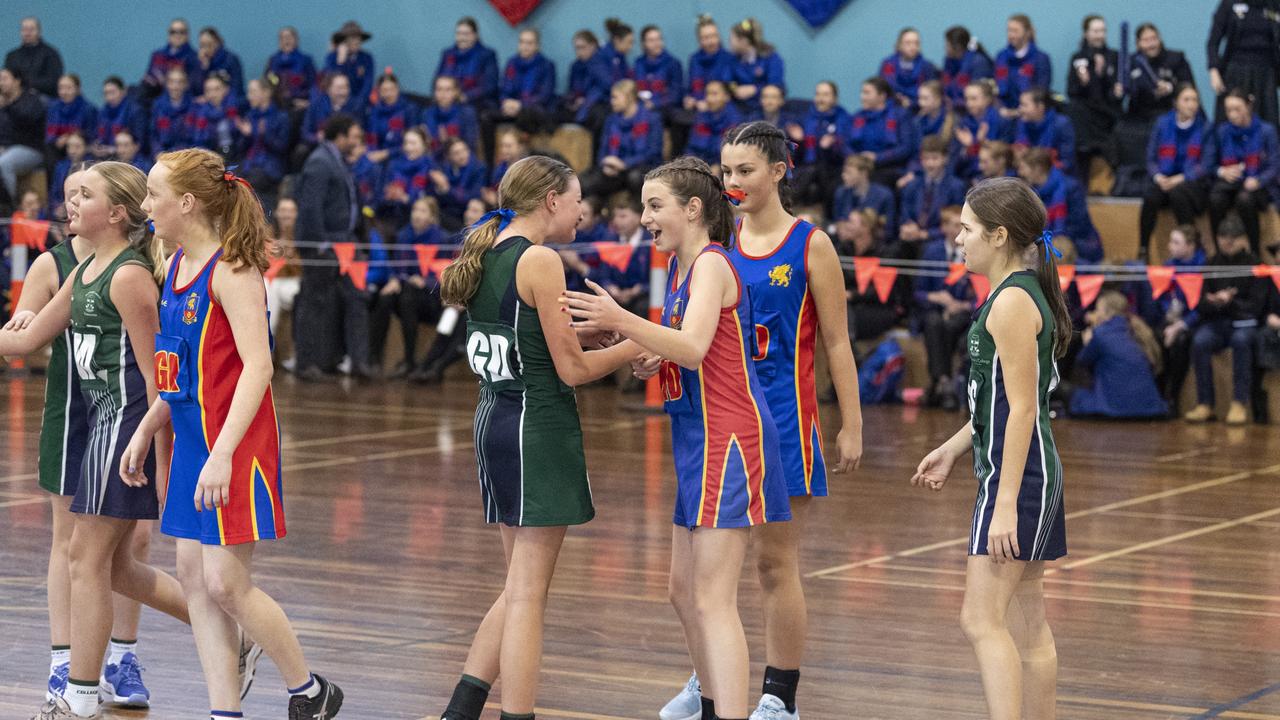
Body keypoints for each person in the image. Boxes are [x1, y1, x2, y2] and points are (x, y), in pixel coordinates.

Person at [564, 155, 793, 720]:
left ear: (693, 210)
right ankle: (712, 700)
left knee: (715, 600)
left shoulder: (714, 263)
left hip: (729, 438)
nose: (644, 218)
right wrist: (650, 356)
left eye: (654, 206)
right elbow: (687, 350)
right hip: (698, 439)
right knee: (681, 590)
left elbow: (691, 347)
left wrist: (621, 319)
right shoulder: (682, 271)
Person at [125, 148, 343, 720]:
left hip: (234, 444)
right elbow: (178, 373)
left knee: (225, 582)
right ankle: (224, 711)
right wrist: (150, 428)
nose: (145, 205)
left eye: (153, 195)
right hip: (194, 439)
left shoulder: (234, 271)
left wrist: (222, 454)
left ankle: (309, 691)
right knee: (194, 580)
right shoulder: (172, 268)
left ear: (188, 203)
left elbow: (260, 367)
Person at [432, 154, 640, 720]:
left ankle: (461, 708)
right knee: (528, 595)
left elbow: (528, 336)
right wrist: (637, 338)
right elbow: (571, 370)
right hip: (535, 427)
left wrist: (590, 329)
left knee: (518, 585)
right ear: (551, 199)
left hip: (493, 423)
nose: (582, 211)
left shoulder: (491, 251)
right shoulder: (541, 259)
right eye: (576, 200)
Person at [0, 162, 194, 720]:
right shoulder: (82, 272)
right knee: (110, 569)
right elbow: (27, 338)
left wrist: (157, 453)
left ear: (116, 214)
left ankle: (78, 695)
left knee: (88, 559)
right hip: (100, 427)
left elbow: (161, 380)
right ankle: (227, 633)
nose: (72, 201)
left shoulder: (130, 276)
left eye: (86, 194)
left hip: (124, 427)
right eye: (71, 193)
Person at [717, 123, 862, 719]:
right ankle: (707, 681)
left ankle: (780, 698)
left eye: (745, 170)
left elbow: (836, 342)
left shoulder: (811, 244)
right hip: (721, 422)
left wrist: (850, 423)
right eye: (726, 172)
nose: (733, 183)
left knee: (774, 562)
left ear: (778, 171)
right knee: (709, 570)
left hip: (783, 422)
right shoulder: (716, 243)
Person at [912, 175, 1069, 720]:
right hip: (1024, 473)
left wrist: (1004, 504)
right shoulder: (1016, 295)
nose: (958, 239)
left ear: (999, 235)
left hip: (1019, 480)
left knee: (981, 620)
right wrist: (956, 447)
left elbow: (1025, 408)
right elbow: (998, 402)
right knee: (1028, 622)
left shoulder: (1011, 302)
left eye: (967, 228)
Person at [293, 113, 374, 381]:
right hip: (325, 244)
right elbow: (310, 207)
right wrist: (318, 245)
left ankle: (359, 362)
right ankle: (307, 363)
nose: (357, 141)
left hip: (347, 244)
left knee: (357, 300)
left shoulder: (338, 161)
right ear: (340, 136)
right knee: (314, 303)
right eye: (353, 136)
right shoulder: (319, 162)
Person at [1185, 215, 1265, 425]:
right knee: (1200, 341)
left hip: (1244, 323)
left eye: (1233, 237)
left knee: (1241, 341)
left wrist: (1231, 302)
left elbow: (1257, 307)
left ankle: (1239, 402)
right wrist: (1213, 302)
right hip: (1217, 321)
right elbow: (1200, 304)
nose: (1227, 242)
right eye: (1223, 237)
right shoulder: (1211, 264)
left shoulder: (1255, 264)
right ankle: (1205, 403)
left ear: (1243, 239)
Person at [371, 195, 448, 376]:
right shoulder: (403, 235)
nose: (417, 215)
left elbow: (445, 272)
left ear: (432, 217)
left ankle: (409, 359)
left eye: (422, 211)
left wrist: (426, 281)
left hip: (431, 296)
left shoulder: (442, 239)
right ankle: (374, 358)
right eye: (415, 210)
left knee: (408, 296)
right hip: (407, 289)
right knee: (384, 298)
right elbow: (397, 266)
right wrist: (394, 279)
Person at [1069, 291, 1169, 418]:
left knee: (1065, 391)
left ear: (1106, 313)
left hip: (1114, 408)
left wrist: (1087, 342)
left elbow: (1081, 361)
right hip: (1149, 409)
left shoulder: (1101, 334)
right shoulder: (1138, 329)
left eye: (1098, 309)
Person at [1204, 89, 1279, 254]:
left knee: (1244, 199)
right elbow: (1208, 164)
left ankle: (1254, 250)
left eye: (1237, 109)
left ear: (1249, 106)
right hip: (1229, 184)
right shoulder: (1221, 131)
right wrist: (1221, 171)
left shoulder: (1266, 131)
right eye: (1229, 109)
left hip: (1257, 185)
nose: (1232, 114)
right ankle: (1220, 251)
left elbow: (1275, 165)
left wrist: (1258, 180)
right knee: (1215, 199)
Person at [915, 205, 975, 409]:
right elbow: (918, 291)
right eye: (953, 225)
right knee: (933, 323)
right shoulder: (933, 251)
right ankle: (944, 382)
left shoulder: (973, 250)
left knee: (948, 326)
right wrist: (935, 297)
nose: (958, 230)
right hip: (936, 309)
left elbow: (983, 293)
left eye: (962, 226)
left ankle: (939, 382)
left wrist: (962, 305)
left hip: (964, 312)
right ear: (943, 228)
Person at [1139, 84, 1208, 260]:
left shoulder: (1205, 127)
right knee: (1150, 197)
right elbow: (1150, 157)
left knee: (1178, 194)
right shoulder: (1162, 123)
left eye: (1195, 100)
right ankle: (1143, 249)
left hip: (1191, 184)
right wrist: (1158, 176)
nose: (1191, 104)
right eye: (1186, 99)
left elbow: (1206, 164)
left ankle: (1192, 248)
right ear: (1176, 102)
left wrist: (1180, 178)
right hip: (1164, 179)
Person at [579, 80, 663, 202]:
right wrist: (606, 164)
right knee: (585, 182)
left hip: (641, 168)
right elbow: (603, 150)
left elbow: (653, 153)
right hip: (614, 170)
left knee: (634, 178)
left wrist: (625, 164)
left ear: (629, 97)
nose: (612, 102)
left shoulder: (652, 118)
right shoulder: (610, 120)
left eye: (615, 98)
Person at [1019, 148, 1102, 263]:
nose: (1020, 173)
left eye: (1023, 168)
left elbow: (1079, 224)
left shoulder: (1071, 188)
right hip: (1049, 244)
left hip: (1078, 245)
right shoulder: (1033, 192)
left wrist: (1049, 243)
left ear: (1037, 168)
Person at [1066, 15, 1123, 178]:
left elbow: (1117, 95)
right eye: (1096, 31)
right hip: (1086, 114)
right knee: (1073, 110)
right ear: (1086, 33)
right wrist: (1084, 82)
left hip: (1108, 113)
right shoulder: (1078, 58)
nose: (1100, 35)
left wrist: (1104, 77)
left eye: (1103, 31)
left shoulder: (1114, 57)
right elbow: (1071, 92)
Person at [1207, 0, 1280, 125]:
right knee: (1231, 120)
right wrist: (1213, 70)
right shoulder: (1228, 4)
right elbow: (1213, 42)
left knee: (1268, 122)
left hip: (1266, 73)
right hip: (1235, 71)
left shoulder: (1274, 5)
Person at [899, 135, 968, 253]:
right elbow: (905, 213)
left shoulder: (956, 187)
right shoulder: (912, 185)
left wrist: (927, 234)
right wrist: (909, 227)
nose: (930, 164)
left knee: (931, 250)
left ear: (945, 158)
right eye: (926, 159)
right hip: (913, 236)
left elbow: (957, 220)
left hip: (940, 238)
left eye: (935, 158)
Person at [847, 76, 919, 188]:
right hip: (861, 167)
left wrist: (877, 157)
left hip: (890, 168)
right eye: (862, 92)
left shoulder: (900, 115)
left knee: (874, 185)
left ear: (882, 96)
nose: (862, 97)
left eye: (867, 93)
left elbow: (906, 148)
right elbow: (847, 143)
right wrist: (858, 158)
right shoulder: (857, 117)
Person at [788, 81, 850, 208]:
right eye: (818, 94)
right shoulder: (805, 116)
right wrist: (798, 141)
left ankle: (787, 204)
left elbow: (846, 152)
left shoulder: (843, 118)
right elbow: (793, 153)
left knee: (814, 171)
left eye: (826, 95)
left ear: (835, 98)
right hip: (805, 165)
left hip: (832, 168)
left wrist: (831, 146)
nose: (821, 99)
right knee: (808, 171)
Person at [1126, 23, 1195, 125]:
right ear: (1138, 43)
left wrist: (1170, 87)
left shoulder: (1177, 59)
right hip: (1139, 117)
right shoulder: (1131, 62)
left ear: (1160, 39)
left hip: (1171, 115)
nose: (1151, 44)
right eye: (1146, 40)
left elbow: (1188, 86)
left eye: (1154, 39)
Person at [235, 77, 289, 204]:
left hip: (269, 166)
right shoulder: (250, 115)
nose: (249, 96)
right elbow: (239, 149)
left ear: (266, 93)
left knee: (247, 184)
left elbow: (282, 147)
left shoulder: (281, 117)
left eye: (253, 92)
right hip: (249, 163)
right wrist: (246, 135)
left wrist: (264, 134)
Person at [635, 25, 686, 152]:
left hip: (665, 108)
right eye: (651, 40)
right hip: (641, 106)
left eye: (659, 39)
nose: (656, 43)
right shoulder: (638, 63)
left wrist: (654, 103)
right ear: (644, 44)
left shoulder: (673, 63)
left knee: (655, 117)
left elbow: (676, 94)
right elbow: (634, 88)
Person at [0, 66, 44, 208]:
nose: (1, 83)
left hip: (30, 149)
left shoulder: (31, 100)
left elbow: (27, 123)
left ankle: (9, 206)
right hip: (5, 148)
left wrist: (8, 106)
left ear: (17, 81)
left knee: (4, 163)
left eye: (4, 79)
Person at [498, 29, 556, 136]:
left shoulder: (546, 65)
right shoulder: (512, 62)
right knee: (486, 116)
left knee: (527, 113)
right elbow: (504, 88)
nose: (525, 46)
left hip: (534, 109)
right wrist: (505, 102)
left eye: (529, 43)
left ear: (537, 46)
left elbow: (544, 96)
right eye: (522, 42)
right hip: (512, 107)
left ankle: (527, 151)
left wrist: (521, 105)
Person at [994, 14, 1052, 117]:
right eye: (1009, 30)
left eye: (1015, 31)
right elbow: (995, 86)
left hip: (1029, 113)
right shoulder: (1001, 57)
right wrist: (1002, 109)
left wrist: (1019, 111)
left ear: (1028, 32)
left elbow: (1041, 91)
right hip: (1003, 112)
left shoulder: (1040, 58)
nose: (1011, 35)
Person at [560, 30, 613, 138]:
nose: (579, 52)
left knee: (598, 116)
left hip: (599, 103)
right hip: (579, 103)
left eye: (582, 47)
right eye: (576, 48)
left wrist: (586, 100)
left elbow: (609, 87)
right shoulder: (575, 66)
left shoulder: (601, 63)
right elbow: (571, 89)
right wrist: (573, 100)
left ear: (592, 46)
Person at [266, 197, 302, 354]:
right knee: (268, 288)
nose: (286, 215)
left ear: (296, 214)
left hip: (293, 280)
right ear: (277, 213)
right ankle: (268, 340)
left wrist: (290, 257)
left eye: (290, 211)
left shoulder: (302, 235)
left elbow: (304, 267)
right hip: (272, 281)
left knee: (282, 291)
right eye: (283, 211)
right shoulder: (268, 233)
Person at [1012, 88, 1077, 175]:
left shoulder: (1061, 124)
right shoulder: (1022, 122)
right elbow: (1020, 151)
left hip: (1057, 177)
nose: (1020, 109)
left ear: (1040, 107)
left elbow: (1067, 162)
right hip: (1029, 173)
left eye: (1024, 105)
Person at [953, 81, 1010, 180]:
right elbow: (954, 163)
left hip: (996, 177)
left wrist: (979, 143)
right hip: (968, 177)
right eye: (966, 99)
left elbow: (1004, 157)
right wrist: (967, 149)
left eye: (974, 99)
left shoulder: (1001, 121)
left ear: (987, 99)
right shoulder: (962, 124)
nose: (969, 103)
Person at [831, 154, 896, 240]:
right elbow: (837, 220)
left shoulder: (884, 195)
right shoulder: (841, 193)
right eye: (844, 172)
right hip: (845, 242)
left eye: (849, 172)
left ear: (863, 173)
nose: (844, 176)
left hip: (875, 244)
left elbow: (888, 229)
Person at [728, 18, 784, 113]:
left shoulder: (771, 58)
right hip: (740, 108)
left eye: (732, 39)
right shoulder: (733, 59)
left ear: (744, 41)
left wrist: (755, 90)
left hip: (764, 109)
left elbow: (775, 86)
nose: (730, 43)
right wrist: (735, 90)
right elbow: (727, 80)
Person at [685, 15, 735, 115]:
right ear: (699, 40)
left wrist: (708, 102)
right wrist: (688, 99)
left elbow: (730, 90)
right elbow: (690, 87)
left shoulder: (729, 58)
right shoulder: (694, 59)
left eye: (714, 36)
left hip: (723, 110)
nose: (711, 41)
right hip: (698, 108)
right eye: (706, 38)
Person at [685, 81, 740, 168]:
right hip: (700, 165)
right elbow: (692, 147)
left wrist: (718, 165)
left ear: (726, 96)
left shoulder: (735, 119)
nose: (709, 98)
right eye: (707, 94)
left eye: (714, 94)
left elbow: (732, 152)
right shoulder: (701, 116)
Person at [880, 28, 938, 111]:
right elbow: (884, 90)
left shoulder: (927, 66)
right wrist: (898, 100)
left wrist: (912, 103)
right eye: (908, 43)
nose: (913, 47)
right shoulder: (889, 64)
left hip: (919, 110)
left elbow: (932, 94)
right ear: (899, 45)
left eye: (916, 43)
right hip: (892, 109)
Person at [365, 72, 417, 164]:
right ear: (379, 92)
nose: (389, 94)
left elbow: (413, 142)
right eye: (384, 90)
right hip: (377, 156)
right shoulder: (374, 111)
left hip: (401, 154)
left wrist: (387, 153)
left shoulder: (409, 109)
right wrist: (372, 153)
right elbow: (371, 138)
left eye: (392, 89)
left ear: (397, 89)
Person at [322, 21, 375, 112]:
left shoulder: (367, 58)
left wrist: (358, 103)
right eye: (351, 38)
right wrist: (341, 62)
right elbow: (331, 82)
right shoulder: (331, 57)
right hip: (336, 102)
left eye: (358, 38)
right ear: (343, 41)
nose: (355, 41)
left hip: (359, 103)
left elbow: (368, 83)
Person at [423, 75, 480, 157]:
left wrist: (448, 143)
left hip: (460, 159)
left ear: (456, 92)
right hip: (434, 160)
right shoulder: (427, 113)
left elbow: (471, 145)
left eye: (448, 90)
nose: (443, 94)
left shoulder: (467, 113)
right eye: (439, 89)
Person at [188, 71, 242, 158]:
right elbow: (197, 141)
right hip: (210, 157)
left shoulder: (235, 107)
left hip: (236, 156)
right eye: (208, 90)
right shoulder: (199, 112)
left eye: (217, 89)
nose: (212, 94)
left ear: (226, 89)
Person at [4, 16, 62, 97]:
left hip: (43, 97)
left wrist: (28, 85)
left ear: (39, 32)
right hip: (16, 98)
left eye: (31, 30)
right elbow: (6, 80)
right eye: (24, 30)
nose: (27, 33)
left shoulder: (51, 54)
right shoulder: (12, 56)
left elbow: (54, 81)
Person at [141, 19, 198, 100]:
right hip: (154, 96)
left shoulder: (194, 57)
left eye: (181, 32)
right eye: (173, 32)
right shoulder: (157, 54)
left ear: (188, 35)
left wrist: (165, 81)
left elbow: (193, 86)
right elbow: (149, 76)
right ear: (168, 34)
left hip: (181, 100)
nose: (177, 35)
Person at [439, 137, 487, 231]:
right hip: (451, 211)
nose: (462, 156)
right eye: (456, 153)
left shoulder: (478, 168)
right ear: (449, 157)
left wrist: (448, 190)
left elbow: (474, 195)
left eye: (464, 150)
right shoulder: (445, 169)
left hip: (469, 210)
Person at [941, 26, 993, 111]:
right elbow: (946, 87)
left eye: (947, 44)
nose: (945, 47)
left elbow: (978, 95)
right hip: (953, 110)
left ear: (957, 46)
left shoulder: (978, 62)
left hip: (973, 111)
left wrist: (956, 103)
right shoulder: (949, 62)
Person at [92, 77, 146, 159]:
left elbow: (139, 142)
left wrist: (115, 149)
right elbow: (97, 135)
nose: (109, 97)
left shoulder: (136, 111)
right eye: (106, 93)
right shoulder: (102, 112)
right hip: (105, 157)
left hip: (131, 158)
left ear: (123, 92)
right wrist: (96, 146)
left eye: (112, 92)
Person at [265, 26, 316, 110]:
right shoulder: (273, 61)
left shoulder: (306, 60)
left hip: (299, 104)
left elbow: (313, 85)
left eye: (289, 37)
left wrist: (307, 102)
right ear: (279, 42)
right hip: (276, 103)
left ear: (296, 40)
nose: (286, 41)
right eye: (283, 38)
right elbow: (268, 81)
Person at [148, 67, 194, 157]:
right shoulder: (157, 106)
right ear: (167, 84)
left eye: (180, 82)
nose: (175, 86)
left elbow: (198, 137)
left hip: (187, 156)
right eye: (172, 82)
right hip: (163, 155)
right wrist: (158, 153)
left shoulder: (194, 107)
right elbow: (153, 135)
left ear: (186, 85)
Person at [45, 74, 97, 153]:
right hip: (57, 149)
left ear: (78, 89)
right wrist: (56, 140)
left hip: (81, 149)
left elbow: (92, 134)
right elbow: (49, 133)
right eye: (61, 88)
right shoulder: (53, 107)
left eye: (69, 88)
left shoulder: (89, 109)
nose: (64, 92)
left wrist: (69, 137)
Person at [190, 27, 245, 100]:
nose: (205, 49)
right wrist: (203, 69)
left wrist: (213, 96)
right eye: (202, 45)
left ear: (217, 43)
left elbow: (237, 87)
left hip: (228, 101)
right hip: (206, 103)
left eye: (209, 44)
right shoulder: (198, 61)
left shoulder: (231, 60)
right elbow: (196, 90)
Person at [600, 18, 634, 83]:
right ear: (617, 40)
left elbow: (626, 77)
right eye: (629, 42)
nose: (630, 47)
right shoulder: (602, 54)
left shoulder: (621, 56)